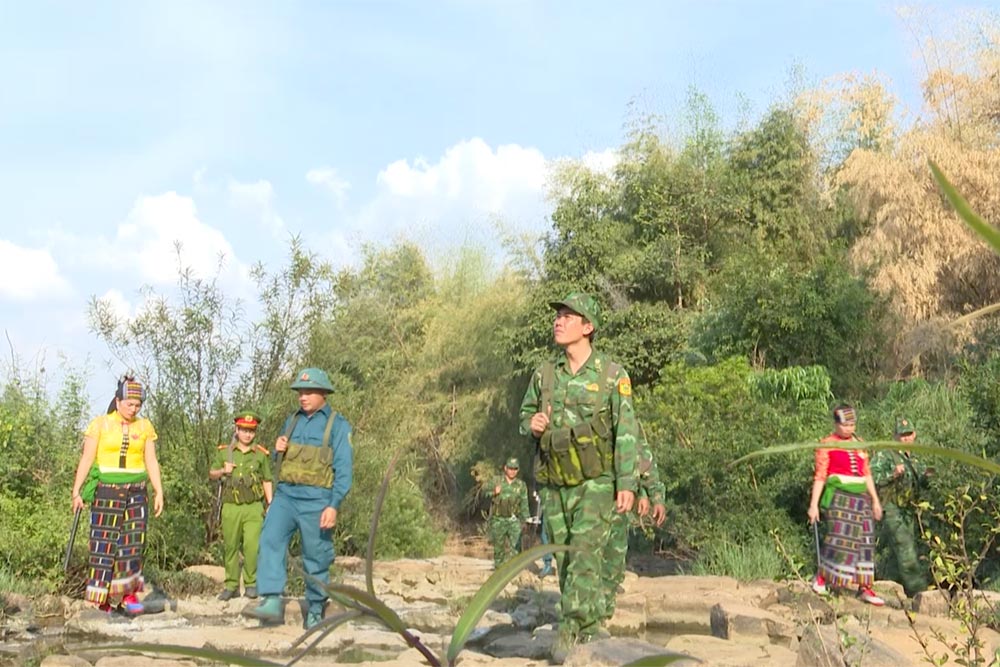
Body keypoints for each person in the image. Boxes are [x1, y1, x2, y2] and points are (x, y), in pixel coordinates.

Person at [519, 292, 640, 663]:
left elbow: (626, 431)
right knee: (565, 559)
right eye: (558, 316)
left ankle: (571, 627)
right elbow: (525, 418)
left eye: (569, 316)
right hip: (555, 483)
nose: (559, 321)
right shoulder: (544, 374)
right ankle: (589, 629)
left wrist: (627, 484)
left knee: (586, 552)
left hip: (597, 482)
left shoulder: (612, 375)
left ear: (588, 327)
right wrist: (532, 423)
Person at [243, 368, 353, 629]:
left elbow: (344, 469)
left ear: (323, 393)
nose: (302, 397)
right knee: (270, 538)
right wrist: (277, 450)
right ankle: (270, 599)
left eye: (308, 392)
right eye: (300, 392)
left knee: (316, 554)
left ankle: (315, 608)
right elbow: (278, 463)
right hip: (286, 496)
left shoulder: (337, 425)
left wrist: (334, 505)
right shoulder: (291, 421)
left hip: (318, 500)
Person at [71, 376, 164, 614]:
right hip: (107, 489)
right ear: (118, 400)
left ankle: (128, 595)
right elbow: (87, 458)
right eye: (129, 404)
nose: (133, 409)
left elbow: (151, 460)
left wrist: (158, 490)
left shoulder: (145, 427)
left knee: (132, 542)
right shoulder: (100, 424)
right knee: (103, 543)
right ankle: (98, 598)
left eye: (138, 404)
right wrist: (76, 491)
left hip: (136, 489)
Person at [808, 404, 885, 606]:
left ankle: (865, 586)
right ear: (836, 424)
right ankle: (822, 578)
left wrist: (875, 500)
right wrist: (813, 504)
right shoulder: (827, 444)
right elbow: (820, 476)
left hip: (862, 498)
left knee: (865, 540)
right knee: (841, 537)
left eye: (852, 424)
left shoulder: (859, 444)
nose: (850, 428)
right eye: (846, 424)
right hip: (839, 496)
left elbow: (866, 474)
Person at [599, 432, 666, 624]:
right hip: (586, 505)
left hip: (617, 505)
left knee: (614, 559)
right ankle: (582, 617)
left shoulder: (626, 426)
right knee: (586, 559)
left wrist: (651, 495)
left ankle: (602, 614)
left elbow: (643, 461)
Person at [209, 410, 274, 601]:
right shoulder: (224, 452)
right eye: (244, 430)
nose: (248, 434)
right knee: (231, 546)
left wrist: (270, 503)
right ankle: (231, 585)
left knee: (252, 547)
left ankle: (251, 583)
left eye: (251, 431)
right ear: (236, 430)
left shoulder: (261, 454)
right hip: (231, 506)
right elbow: (212, 473)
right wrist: (223, 470)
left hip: (253, 507)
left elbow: (267, 479)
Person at [871, 417, 930, 597]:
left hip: (909, 511)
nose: (906, 438)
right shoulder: (886, 455)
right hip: (892, 508)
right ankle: (919, 592)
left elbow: (922, 484)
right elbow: (871, 478)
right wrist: (892, 473)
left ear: (914, 435)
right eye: (902, 435)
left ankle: (893, 587)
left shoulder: (915, 458)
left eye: (909, 434)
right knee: (905, 549)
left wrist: (928, 477)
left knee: (907, 548)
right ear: (895, 436)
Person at [488, 458, 530, 568]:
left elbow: (524, 503)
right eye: (510, 468)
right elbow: (484, 493)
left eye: (515, 469)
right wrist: (494, 492)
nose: (512, 471)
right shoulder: (496, 481)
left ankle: (513, 572)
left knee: (516, 549)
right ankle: (499, 572)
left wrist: (525, 520)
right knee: (498, 549)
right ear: (505, 468)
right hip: (498, 520)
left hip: (514, 520)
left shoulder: (521, 485)